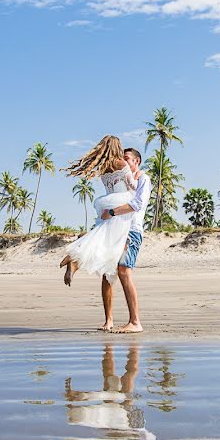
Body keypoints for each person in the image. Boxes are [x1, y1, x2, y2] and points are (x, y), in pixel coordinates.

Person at [60, 136, 150, 333]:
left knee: (123, 271)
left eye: (127, 158)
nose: (123, 161)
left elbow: (137, 204)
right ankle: (108, 320)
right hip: (116, 222)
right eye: (122, 157)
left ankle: (135, 322)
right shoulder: (122, 172)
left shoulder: (143, 178)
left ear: (137, 161)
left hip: (131, 229)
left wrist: (110, 212)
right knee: (107, 272)